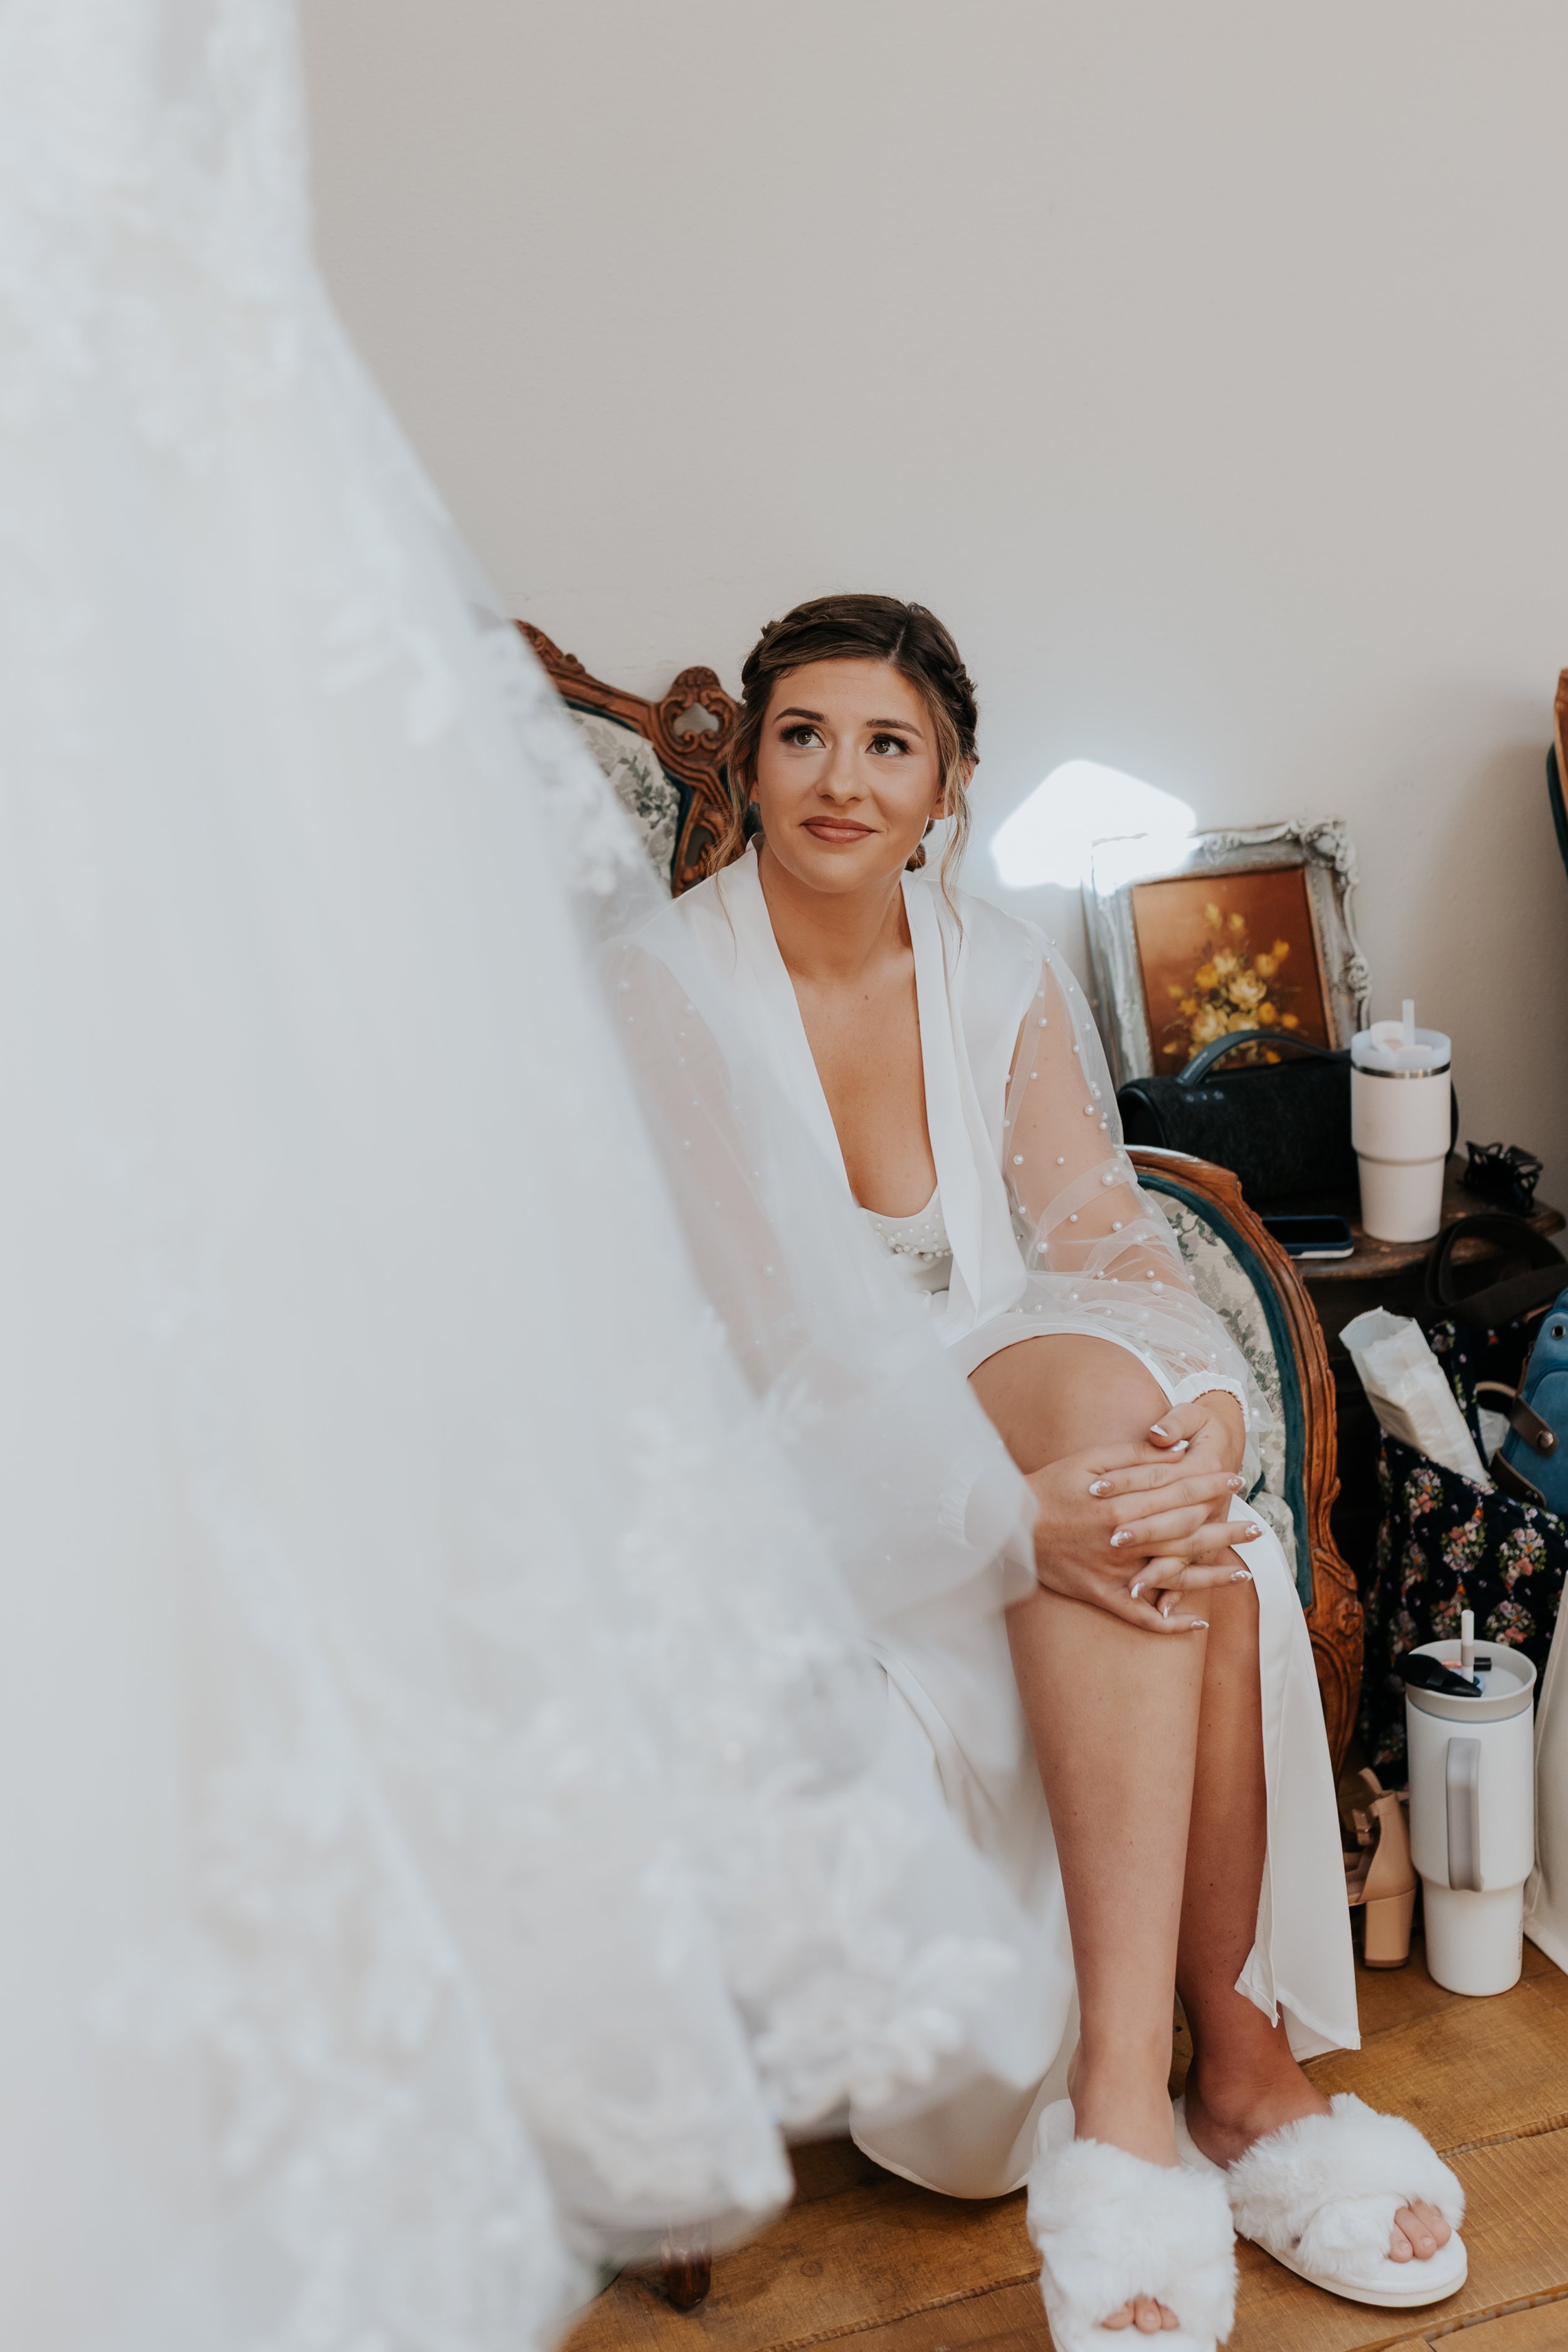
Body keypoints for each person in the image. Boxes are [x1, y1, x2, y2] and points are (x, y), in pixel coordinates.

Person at [626, 596, 1468, 2347]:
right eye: (801, 736)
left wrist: (1212, 1426)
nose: (839, 779)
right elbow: (760, 1342)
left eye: (886, 744)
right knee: (1143, 1519)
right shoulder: (664, 986)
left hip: (995, 1390)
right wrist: (996, 1517)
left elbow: (1102, 1234)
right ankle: (1206, 2078)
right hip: (772, 1442)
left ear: (947, 784)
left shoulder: (989, 964)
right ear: (748, 766)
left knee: (1151, 1454)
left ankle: (1160, 2105)